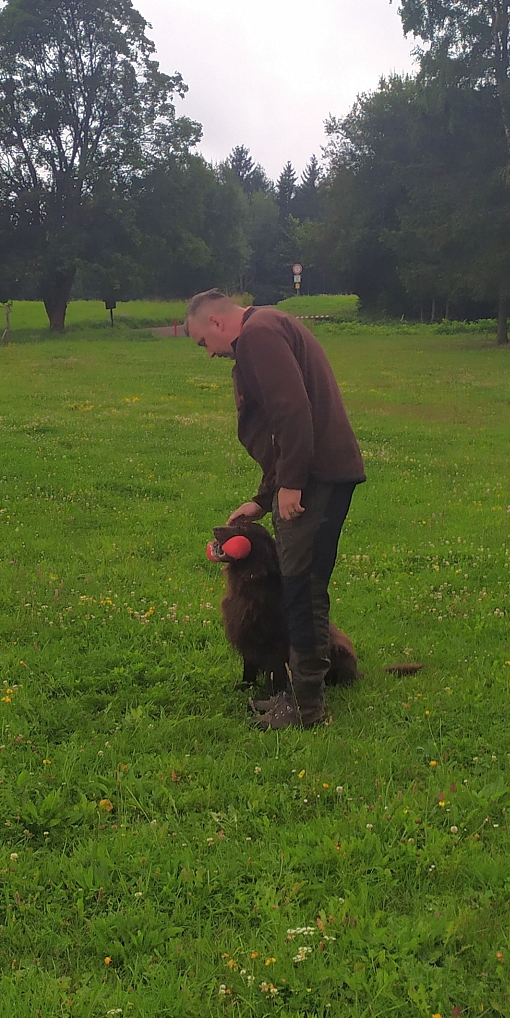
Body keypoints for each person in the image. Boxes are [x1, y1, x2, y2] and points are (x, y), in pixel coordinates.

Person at [185, 290, 365, 729]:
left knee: (301, 590)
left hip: (316, 479)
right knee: (298, 586)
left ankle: (305, 708)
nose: (208, 353)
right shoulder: (267, 327)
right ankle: (298, 694)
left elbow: (292, 410)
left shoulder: (258, 334)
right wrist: (264, 497)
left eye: (203, 342)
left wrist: (292, 483)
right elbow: (278, 429)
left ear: (217, 323)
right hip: (317, 475)